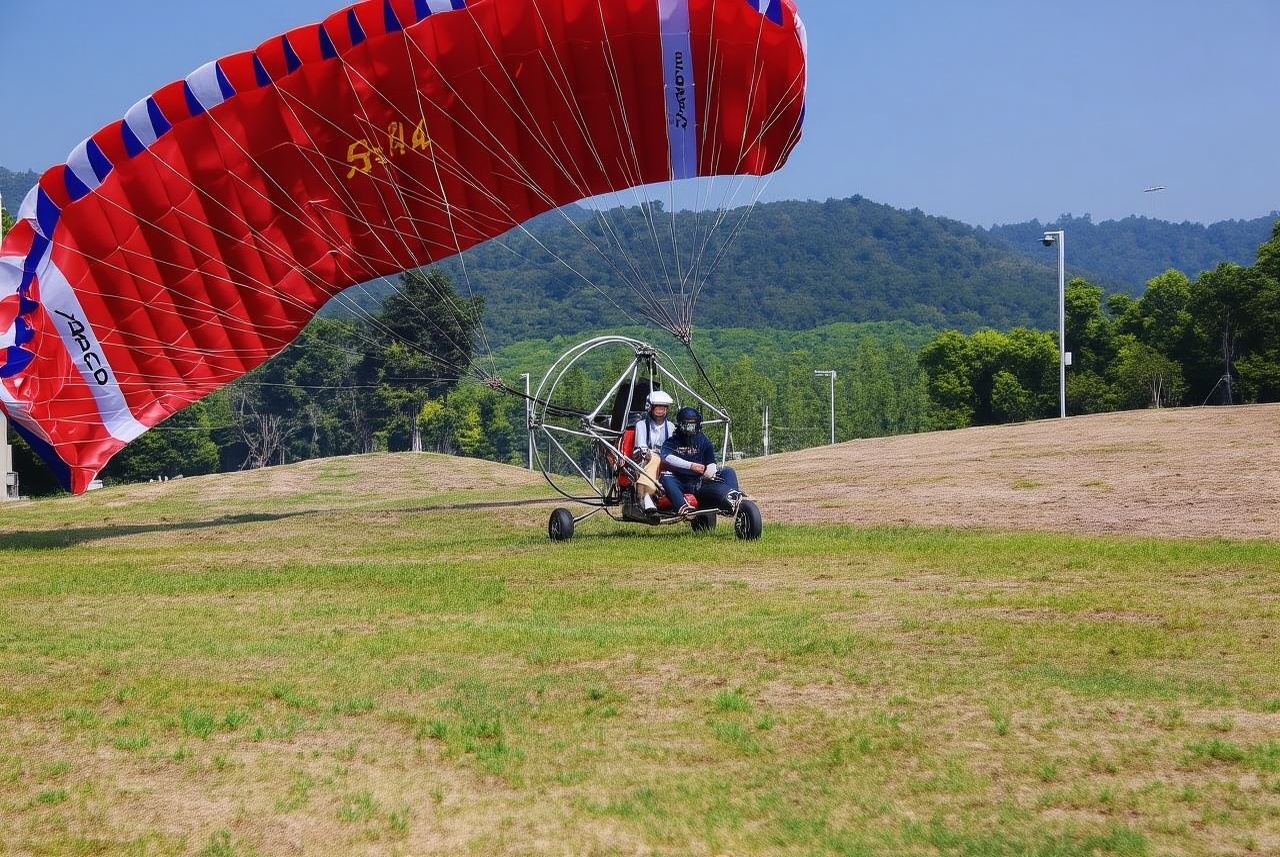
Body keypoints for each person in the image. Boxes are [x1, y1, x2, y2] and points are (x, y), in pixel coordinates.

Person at [659, 406, 741, 517]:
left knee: (728, 471)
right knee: (665, 476)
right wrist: (690, 465)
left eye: (693, 425)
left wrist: (710, 471)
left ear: (698, 425)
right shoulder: (672, 441)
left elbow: (710, 460)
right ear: (680, 425)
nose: (690, 428)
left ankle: (733, 500)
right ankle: (682, 506)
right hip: (679, 480)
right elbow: (667, 457)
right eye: (687, 425)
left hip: (699, 481)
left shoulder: (702, 440)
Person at [631, 390, 675, 513]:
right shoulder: (641, 425)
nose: (661, 411)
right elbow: (642, 447)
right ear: (650, 408)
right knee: (654, 458)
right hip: (644, 459)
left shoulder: (670, 426)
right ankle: (646, 496)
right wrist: (653, 453)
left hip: (665, 457)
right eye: (658, 407)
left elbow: (672, 446)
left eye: (663, 408)